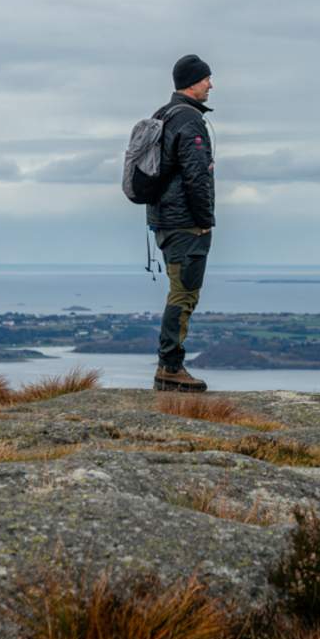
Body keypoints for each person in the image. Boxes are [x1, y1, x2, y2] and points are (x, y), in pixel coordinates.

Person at [148, 54, 216, 391]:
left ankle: (169, 364)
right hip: (186, 223)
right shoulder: (188, 120)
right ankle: (170, 366)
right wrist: (205, 221)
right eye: (206, 79)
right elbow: (195, 176)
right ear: (192, 81)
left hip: (163, 219)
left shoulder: (164, 114)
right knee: (184, 294)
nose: (211, 85)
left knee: (180, 291)